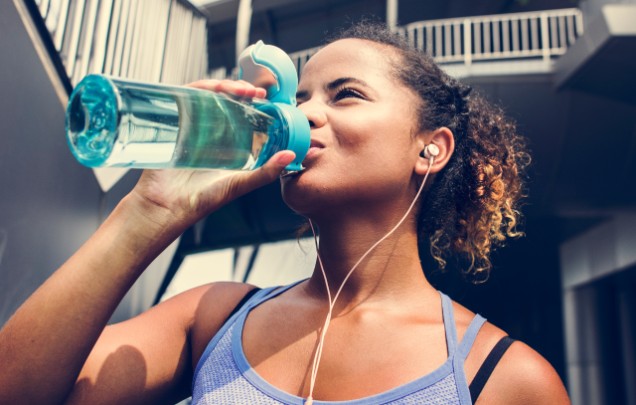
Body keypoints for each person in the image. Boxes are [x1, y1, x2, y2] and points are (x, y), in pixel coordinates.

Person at [0, 23, 570, 404]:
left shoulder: (504, 379)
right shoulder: (212, 318)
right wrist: (146, 212)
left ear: (431, 148)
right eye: (298, 100)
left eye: (344, 94)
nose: (304, 115)